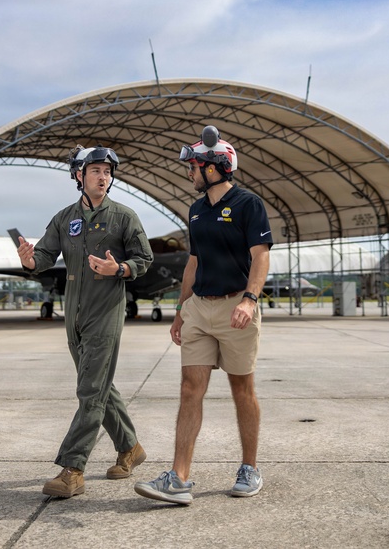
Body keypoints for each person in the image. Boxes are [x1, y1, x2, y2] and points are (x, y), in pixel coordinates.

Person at [135, 126, 272, 505]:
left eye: (193, 166)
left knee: (241, 389)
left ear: (213, 168)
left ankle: (249, 468)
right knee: (188, 389)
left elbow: (261, 256)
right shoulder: (196, 210)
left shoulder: (249, 204)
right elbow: (193, 263)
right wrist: (181, 310)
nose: (189, 173)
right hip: (198, 309)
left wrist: (249, 299)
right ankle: (178, 479)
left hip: (235, 309)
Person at [16, 145, 154, 498]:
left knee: (90, 389)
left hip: (105, 311)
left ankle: (73, 469)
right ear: (79, 175)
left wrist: (120, 268)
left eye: (107, 172)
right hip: (73, 313)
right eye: (95, 170)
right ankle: (130, 448)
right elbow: (45, 257)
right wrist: (30, 260)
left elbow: (144, 258)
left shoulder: (124, 217)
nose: (103, 176)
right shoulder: (64, 218)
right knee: (100, 386)